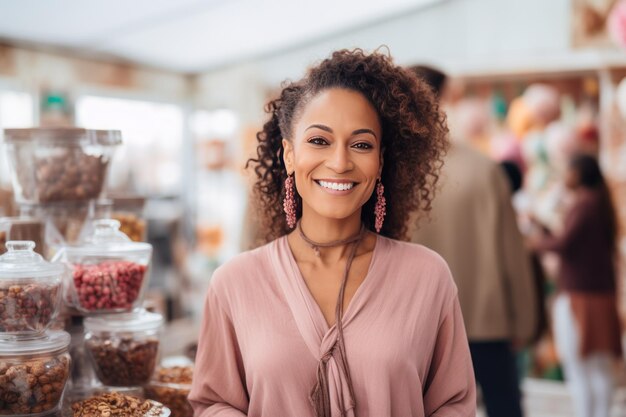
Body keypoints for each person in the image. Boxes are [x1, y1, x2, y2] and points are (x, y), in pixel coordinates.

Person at [189, 49, 476, 417]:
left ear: (380, 161)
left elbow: (453, 404)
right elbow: (214, 402)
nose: (340, 162)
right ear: (289, 156)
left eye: (361, 144)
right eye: (319, 141)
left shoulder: (427, 276)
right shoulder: (234, 283)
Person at [410, 65, 538, 417]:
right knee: (503, 406)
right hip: (486, 320)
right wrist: (524, 319)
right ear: (447, 97)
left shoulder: (390, 173)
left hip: (416, 324)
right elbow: (512, 252)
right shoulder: (484, 170)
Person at [531, 154, 622, 417]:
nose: (564, 175)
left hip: (580, 298)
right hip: (599, 297)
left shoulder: (584, 205)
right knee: (598, 369)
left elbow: (563, 244)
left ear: (579, 173)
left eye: (568, 170)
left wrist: (537, 243)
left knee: (580, 369)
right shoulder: (598, 205)